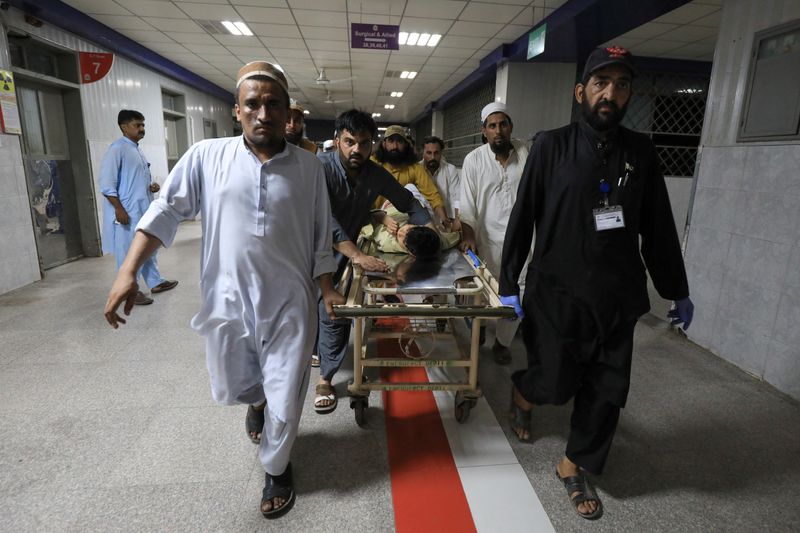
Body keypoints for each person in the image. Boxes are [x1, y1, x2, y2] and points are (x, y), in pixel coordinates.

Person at [103, 61, 344, 519]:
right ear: (237, 110)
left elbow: (319, 238)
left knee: (288, 393)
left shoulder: (309, 168)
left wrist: (326, 289)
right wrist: (127, 270)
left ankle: (276, 467)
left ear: (286, 111)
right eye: (253, 104)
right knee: (240, 383)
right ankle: (254, 403)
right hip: (227, 301)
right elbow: (165, 211)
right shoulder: (205, 156)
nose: (263, 113)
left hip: (290, 302)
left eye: (273, 104)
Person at [499, 46, 694, 521]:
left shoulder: (642, 152)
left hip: (616, 295)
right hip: (556, 294)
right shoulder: (551, 145)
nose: (611, 93)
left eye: (622, 85)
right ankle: (525, 391)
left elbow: (659, 225)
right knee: (555, 381)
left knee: (607, 390)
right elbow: (523, 216)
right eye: (601, 83)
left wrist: (676, 288)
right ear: (580, 91)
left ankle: (574, 463)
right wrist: (509, 282)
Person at [314, 110, 432, 413]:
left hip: (349, 248)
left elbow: (409, 202)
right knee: (315, 306)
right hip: (315, 247)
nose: (357, 150)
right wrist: (357, 255)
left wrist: (421, 228)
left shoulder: (375, 174)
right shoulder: (320, 169)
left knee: (334, 310)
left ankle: (325, 376)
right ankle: (322, 364)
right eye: (350, 142)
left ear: (372, 143)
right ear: (337, 140)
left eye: (364, 144)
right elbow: (322, 219)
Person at [459, 101, 530, 364]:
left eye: (503, 124)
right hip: (486, 240)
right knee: (479, 291)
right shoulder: (473, 160)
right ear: (484, 131)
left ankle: (503, 342)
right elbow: (467, 203)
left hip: (523, 240)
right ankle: (477, 332)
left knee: (516, 291)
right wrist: (467, 236)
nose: (498, 130)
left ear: (510, 127)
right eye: (492, 126)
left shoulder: (527, 153)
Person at [99, 109, 178, 305]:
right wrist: (119, 210)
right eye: (137, 125)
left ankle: (155, 281)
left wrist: (150, 186)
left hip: (142, 209)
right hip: (127, 212)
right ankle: (128, 291)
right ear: (124, 127)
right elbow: (107, 185)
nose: (142, 129)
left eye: (143, 125)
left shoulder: (135, 148)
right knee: (128, 253)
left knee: (147, 248)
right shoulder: (117, 149)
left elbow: (133, 180)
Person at [371, 125, 449, 227]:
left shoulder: (414, 168)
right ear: (384, 144)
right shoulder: (372, 165)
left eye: (399, 141)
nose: (395, 146)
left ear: (406, 145)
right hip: (377, 219)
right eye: (391, 141)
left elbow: (432, 195)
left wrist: (444, 219)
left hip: (406, 221)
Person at [421, 135, 461, 230]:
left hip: (447, 222)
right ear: (423, 153)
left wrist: (457, 220)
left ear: (441, 153)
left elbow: (457, 197)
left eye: (436, 153)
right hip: (424, 223)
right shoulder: (417, 170)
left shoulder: (451, 170)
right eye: (429, 153)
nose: (432, 157)